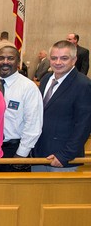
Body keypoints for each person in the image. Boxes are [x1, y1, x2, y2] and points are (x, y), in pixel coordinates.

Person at [32, 40, 91, 172]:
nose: (58, 62)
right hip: (39, 154)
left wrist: (65, 155)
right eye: (54, 58)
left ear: (74, 60)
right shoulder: (46, 79)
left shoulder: (83, 84)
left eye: (64, 58)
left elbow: (84, 124)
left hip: (63, 159)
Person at [0, 42, 43, 172]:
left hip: (14, 150)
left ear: (18, 61)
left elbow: (33, 125)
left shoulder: (28, 87)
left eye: (10, 58)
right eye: (1, 58)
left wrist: (21, 154)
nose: (5, 62)